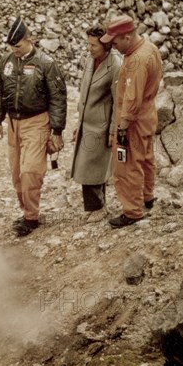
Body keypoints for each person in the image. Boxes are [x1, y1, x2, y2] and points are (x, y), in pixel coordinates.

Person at [0, 17, 67, 237]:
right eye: (11, 46)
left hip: (37, 122)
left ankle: (31, 218)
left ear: (29, 39)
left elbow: (58, 97)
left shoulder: (46, 63)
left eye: (18, 46)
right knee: (16, 174)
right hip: (13, 124)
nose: (14, 50)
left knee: (30, 171)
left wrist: (57, 131)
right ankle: (25, 211)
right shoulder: (6, 61)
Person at [100, 15, 162, 228]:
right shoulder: (150, 49)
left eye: (115, 42)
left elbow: (131, 97)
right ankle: (147, 196)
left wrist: (122, 127)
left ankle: (132, 211)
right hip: (147, 116)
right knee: (146, 158)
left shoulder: (135, 60)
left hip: (133, 121)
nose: (114, 47)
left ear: (127, 37)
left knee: (126, 166)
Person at [71, 25, 122, 223]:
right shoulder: (90, 60)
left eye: (93, 45)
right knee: (87, 165)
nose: (89, 48)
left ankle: (99, 208)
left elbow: (118, 101)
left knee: (94, 166)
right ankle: (95, 207)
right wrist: (78, 123)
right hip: (87, 121)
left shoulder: (115, 65)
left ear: (106, 46)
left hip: (100, 124)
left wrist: (112, 130)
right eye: (88, 44)